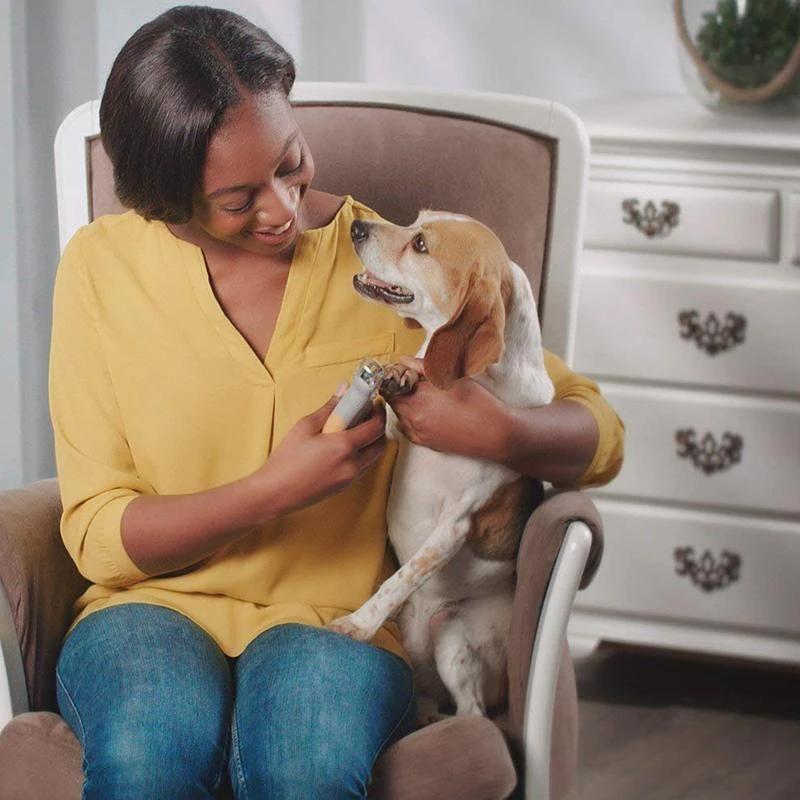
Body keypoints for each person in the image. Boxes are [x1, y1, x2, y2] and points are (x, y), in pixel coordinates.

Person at [49, 5, 624, 799]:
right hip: (146, 608)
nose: (283, 207)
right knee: (150, 757)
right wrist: (275, 489)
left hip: (336, 620)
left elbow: (601, 431)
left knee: (305, 769)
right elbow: (96, 535)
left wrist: (504, 430)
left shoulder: (389, 270)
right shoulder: (100, 268)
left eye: (292, 162)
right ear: (167, 199)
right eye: (238, 197)